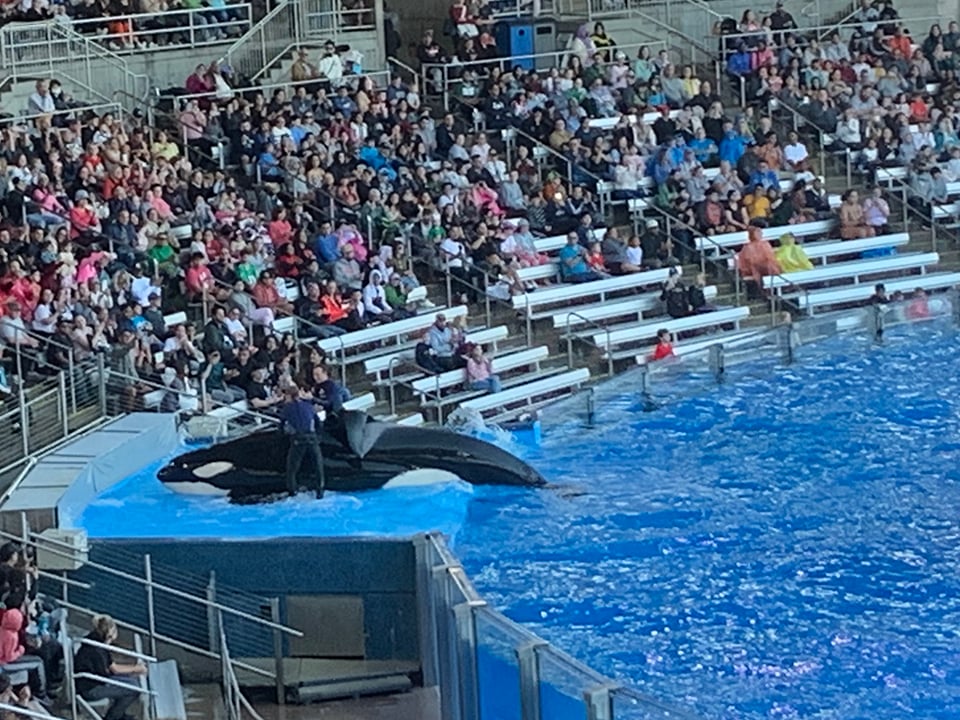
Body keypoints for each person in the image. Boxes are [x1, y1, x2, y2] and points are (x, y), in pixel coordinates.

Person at [73, 615, 147, 720]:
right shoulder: (97, 649)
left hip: (93, 681)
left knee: (133, 681)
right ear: (110, 634)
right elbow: (113, 670)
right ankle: (113, 717)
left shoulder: (95, 639)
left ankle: (118, 714)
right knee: (134, 689)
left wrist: (132, 671)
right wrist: (135, 669)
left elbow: (110, 667)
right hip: (91, 688)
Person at [279, 384, 325, 496]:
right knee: (318, 466)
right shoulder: (308, 405)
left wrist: (283, 434)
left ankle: (292, 491)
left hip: (297, 439)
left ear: (289, 396)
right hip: (312, 438)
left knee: (292, 468)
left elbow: (281, 425)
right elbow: (318, 423)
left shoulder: (286, 408)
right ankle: (320, 491)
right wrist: (318, 437)